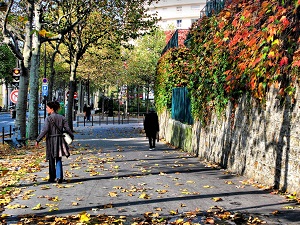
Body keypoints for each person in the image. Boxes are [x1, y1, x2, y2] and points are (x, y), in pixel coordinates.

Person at [35, 101, 74, 183]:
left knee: (51, 158)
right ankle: (59, 176)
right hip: (60, 140)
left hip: (51, 140)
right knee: (58, 157)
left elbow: (45, 130)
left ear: (51, 109)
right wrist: (71, 136)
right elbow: (68, 129)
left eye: (47, 108)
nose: (46, 109)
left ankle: (52, 177)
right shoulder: (62, 118)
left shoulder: (48, 119)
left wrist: (38, 139)